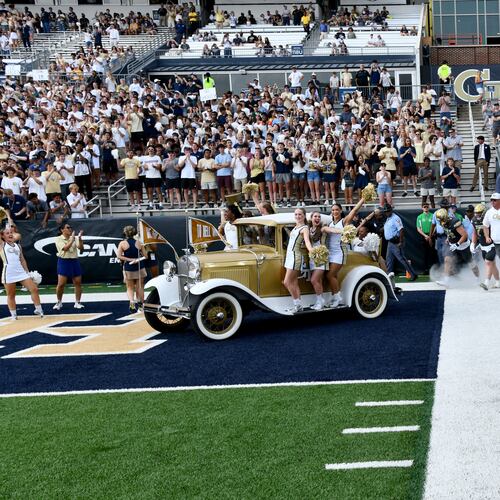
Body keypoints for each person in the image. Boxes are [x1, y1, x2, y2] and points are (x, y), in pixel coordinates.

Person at [322, 199, 365, 308]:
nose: (334, 212)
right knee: (333, 276)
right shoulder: (330, 223)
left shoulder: (344, 221)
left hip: (339, 253)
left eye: (337, 210)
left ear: (341, 211)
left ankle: (338, 298)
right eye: (333, 210)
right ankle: (335, 297)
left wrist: (363, 198)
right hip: (330, 253)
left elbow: (354, 210)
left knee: (330, 275)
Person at [1, 225, 44, 320]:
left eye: (11, 233)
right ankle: (14, 315)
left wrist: (27, 272)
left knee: (34, 289)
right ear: (2, 236)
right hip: (9, 273)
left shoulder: (18, 245)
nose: (10, 234)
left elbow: (22, 260)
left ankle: (39, 310)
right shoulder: (2, 245)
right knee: (11, 295)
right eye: (7, 233)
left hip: (21, 272)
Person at [434, 208, 477, 287]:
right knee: (447, 260)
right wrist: (448, 238)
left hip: (463, 245)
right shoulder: (444, 222)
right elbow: (449, 232)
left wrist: (457, 244)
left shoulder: (454, 222)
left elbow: (465, 235)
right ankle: (446, 281)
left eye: (441, 219)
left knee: (471, 263)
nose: (440, 221)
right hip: (453, 244)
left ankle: (478, 279)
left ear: (445, 217)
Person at [283, 208, 313, 313]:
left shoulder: (305, 228)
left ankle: (297, 304)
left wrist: (312, 251)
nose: (297, 216)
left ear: (304, 216)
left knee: (287, 282)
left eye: (300, 214)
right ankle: (299, 306)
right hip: (289, 256)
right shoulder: (296, 226)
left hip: (295, 256)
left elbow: (307, 241)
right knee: (294, 282)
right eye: (296, 214)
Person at [53, 222, 84, 310]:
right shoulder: (58, 239)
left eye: (70, 227)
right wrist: (72, 239)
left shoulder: (74, 238)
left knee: (78, 282)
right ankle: (59, 302)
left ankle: (77, 302)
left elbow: (81, 249)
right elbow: (65, 248)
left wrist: (80, 239)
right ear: (62, 230)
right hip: (64, 261)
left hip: (74, 261)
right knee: (61, 284)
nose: (70, 229)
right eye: (68, 227)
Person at [383, 204, 418, 281]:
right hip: (390, 242)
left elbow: (401, 229)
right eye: (385, 211)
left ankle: (413, 274)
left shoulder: (396, 218)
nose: (386, 213)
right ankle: (388, 275)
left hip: (396, 241)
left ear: (391, 210)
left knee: (402, 259)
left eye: (388, 211)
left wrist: (401, 241)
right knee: (389, 260)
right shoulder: (388, 218)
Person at [117, 225, 146, 312]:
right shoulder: (139, 242)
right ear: (134, 233)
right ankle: (141, 304)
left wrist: (130, 260)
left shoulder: (122, 243)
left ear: (125, 233)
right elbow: (145, 256)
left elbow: (119, 256)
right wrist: (137, 259)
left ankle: (132, 302)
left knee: (129, 287)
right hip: (140, 266)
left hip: (129, 267)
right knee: (140, 287)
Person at [471, 203, 500, 290]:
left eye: (479, 213)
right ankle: (498, 282)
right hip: (483, 245)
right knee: (492, 264)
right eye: (476, 213)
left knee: (488, 262)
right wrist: (473, 243)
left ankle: (486, 282)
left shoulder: (490, 218)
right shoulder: (474, 220)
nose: (477, 215)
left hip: (492, 244)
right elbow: (475, 232)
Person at [308, 211, 328, 310]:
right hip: (312, 257)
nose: (317, 218)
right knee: (318, 281)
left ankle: (321, 301)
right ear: (311, 218)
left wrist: (341, 231)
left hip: (321, 257)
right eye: (315, 216)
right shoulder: (308, 229)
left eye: (319, 217)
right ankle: (319, 301)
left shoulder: (322, 228)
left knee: (314, 280)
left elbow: (331, 230)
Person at [481, 192, 500, 287]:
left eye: (495, 200)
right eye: (491, 200)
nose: (492, 202)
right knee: (489, 261)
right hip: (494, 243)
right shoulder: (489, 212)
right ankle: (487, 282)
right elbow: (485, 226)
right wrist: (487, 237)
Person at [416, 202, 435, 273]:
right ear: (422, 208)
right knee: (424, 253)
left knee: (432, 253)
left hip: (431, 236)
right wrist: (425, 236)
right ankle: (425, 269)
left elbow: (435, 226)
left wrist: (430, 236)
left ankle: (433, 269)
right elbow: (418, 228)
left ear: (429, 207)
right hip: (423, 236)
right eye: (424, 207)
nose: (426, 208)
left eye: (427, 206)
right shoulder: (420, 217)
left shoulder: (433, 215)